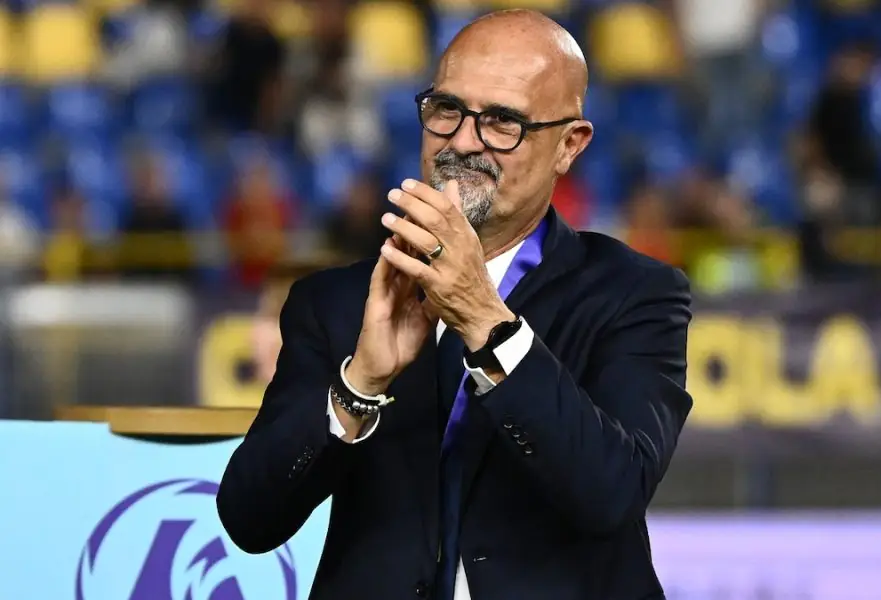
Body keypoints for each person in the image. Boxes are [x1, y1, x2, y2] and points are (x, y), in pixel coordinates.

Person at [216, 10, 693, 600]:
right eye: (446, 109)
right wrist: (359, 386)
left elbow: (613, 492)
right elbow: (250, 519)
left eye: (502, 121)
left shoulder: (635, 293)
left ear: (569, 145)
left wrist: (487, 322)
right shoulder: (336, 303)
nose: (463, 141)